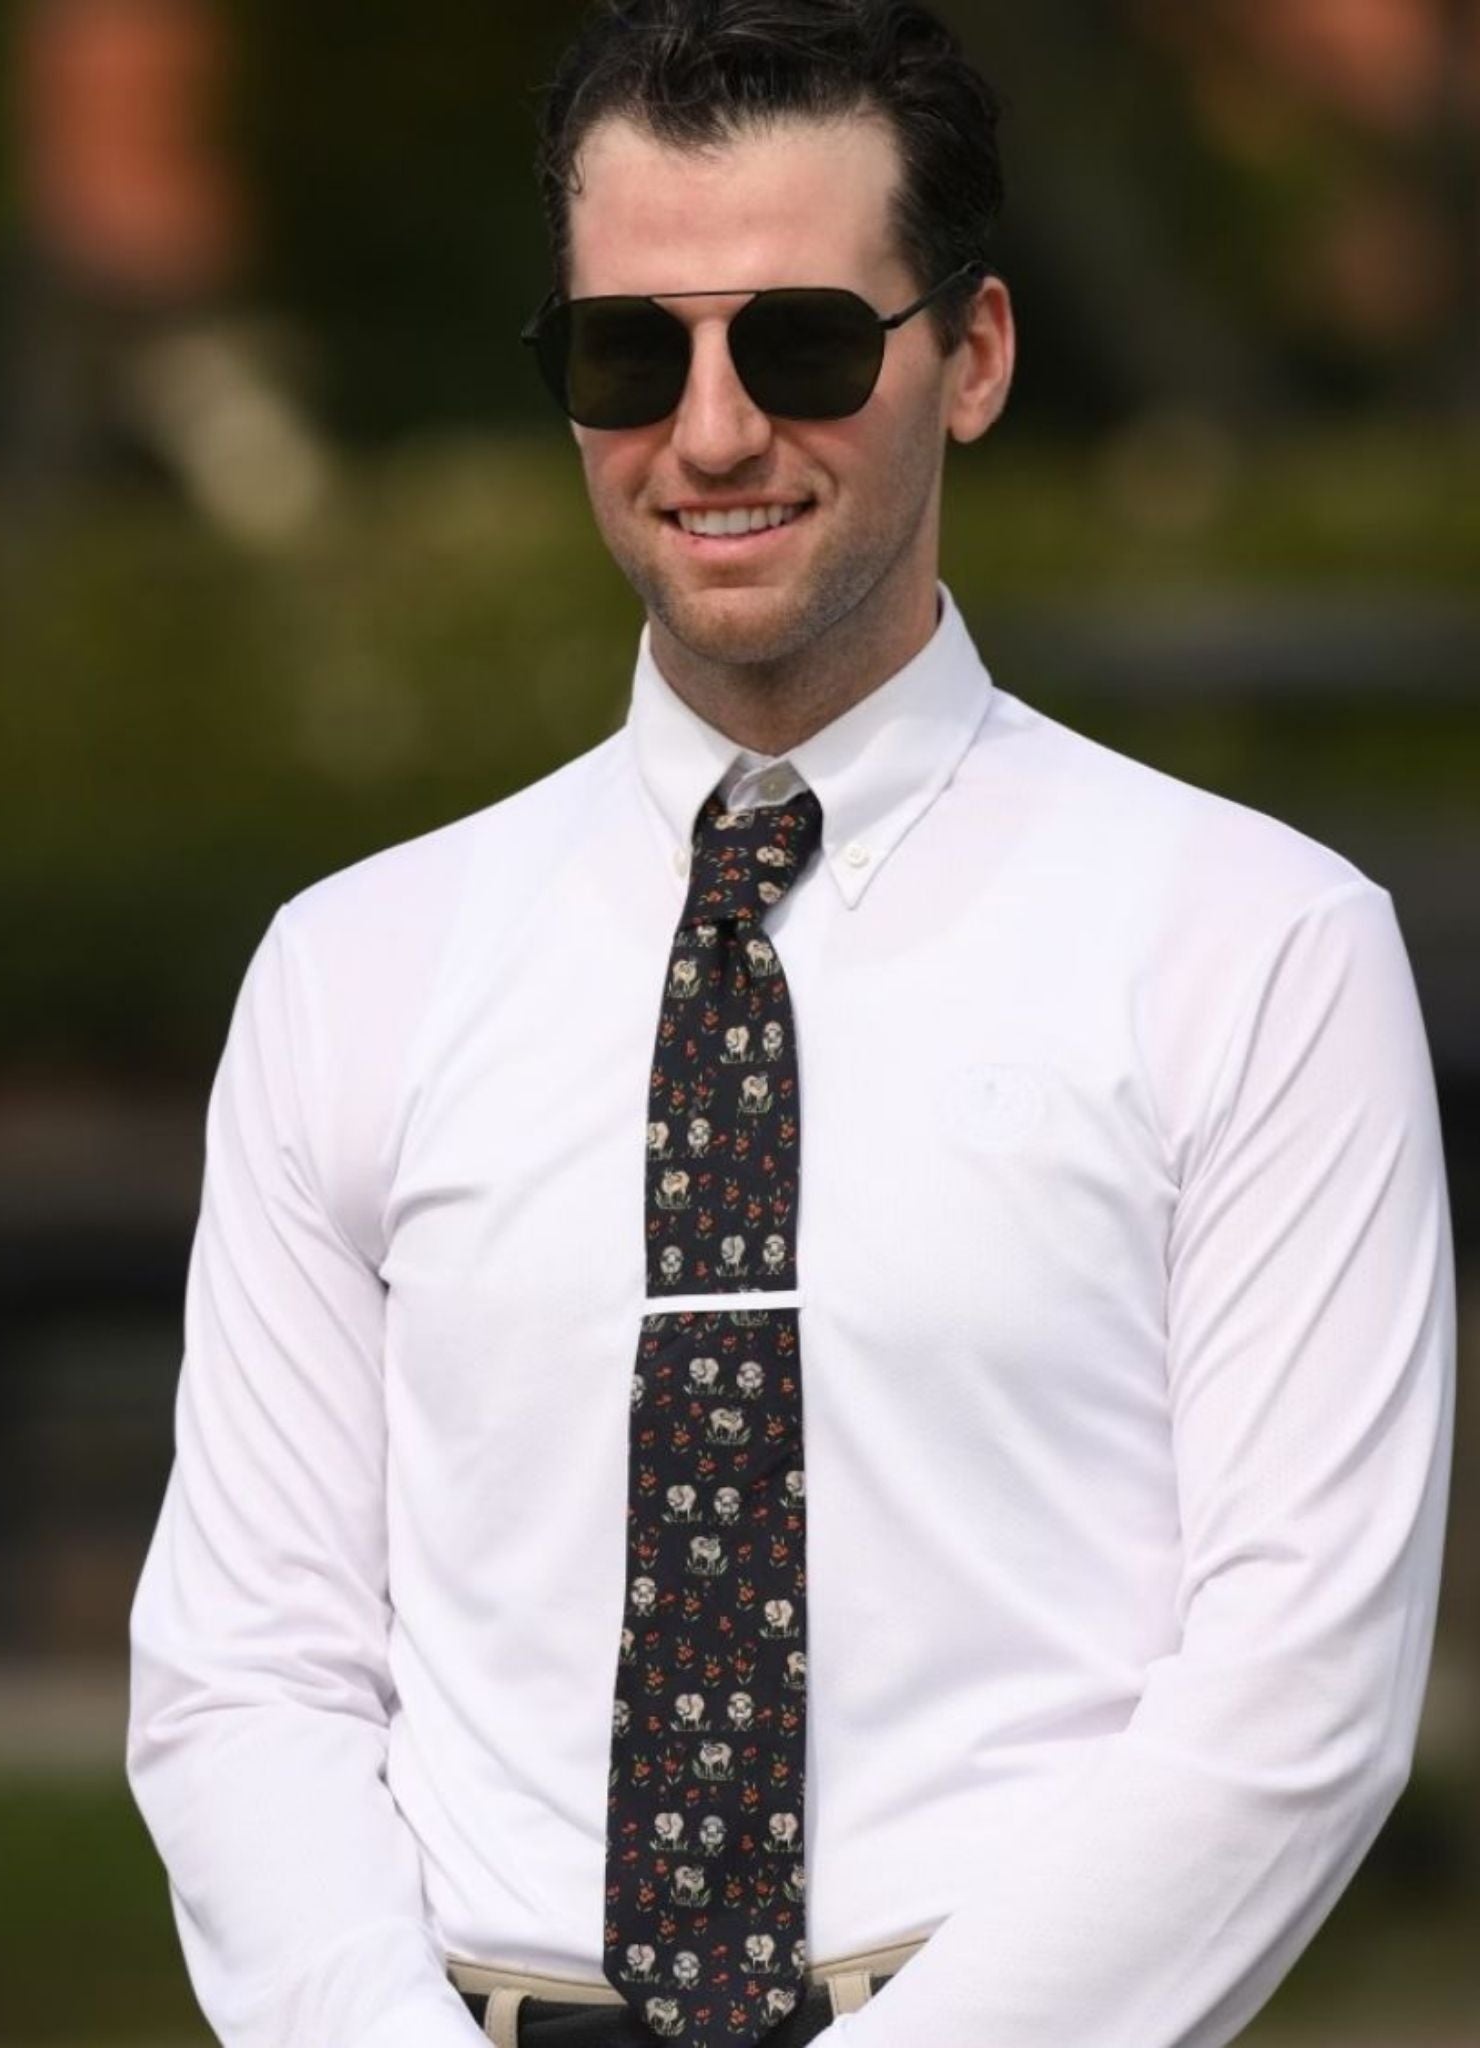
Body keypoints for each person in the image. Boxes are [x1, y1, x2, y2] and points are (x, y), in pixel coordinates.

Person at [125, 4, 1456, 2047]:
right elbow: (248, 1670)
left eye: (805, 344)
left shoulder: (1257, 949)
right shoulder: (351, 969)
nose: (715, 429)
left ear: (975, 356)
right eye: (630, 355)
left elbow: (1297, 1693)